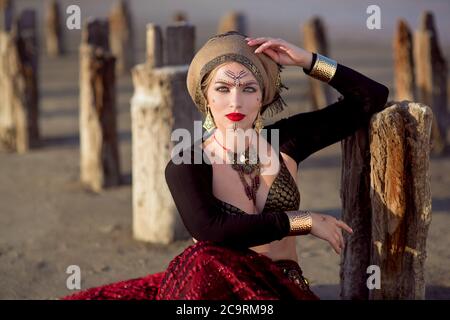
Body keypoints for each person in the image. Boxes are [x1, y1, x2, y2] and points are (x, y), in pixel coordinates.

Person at [62, 31, 389, 300]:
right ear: (207, 97)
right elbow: (210, 230)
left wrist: (308, 61)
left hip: (281, 288)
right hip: (213, 291)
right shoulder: (187, 162)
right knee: (203, 257)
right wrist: (302, 221)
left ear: (262, 97)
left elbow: (370, 98)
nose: (236, 102)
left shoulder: (286, 140)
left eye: (248, 88)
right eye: (223, 88)